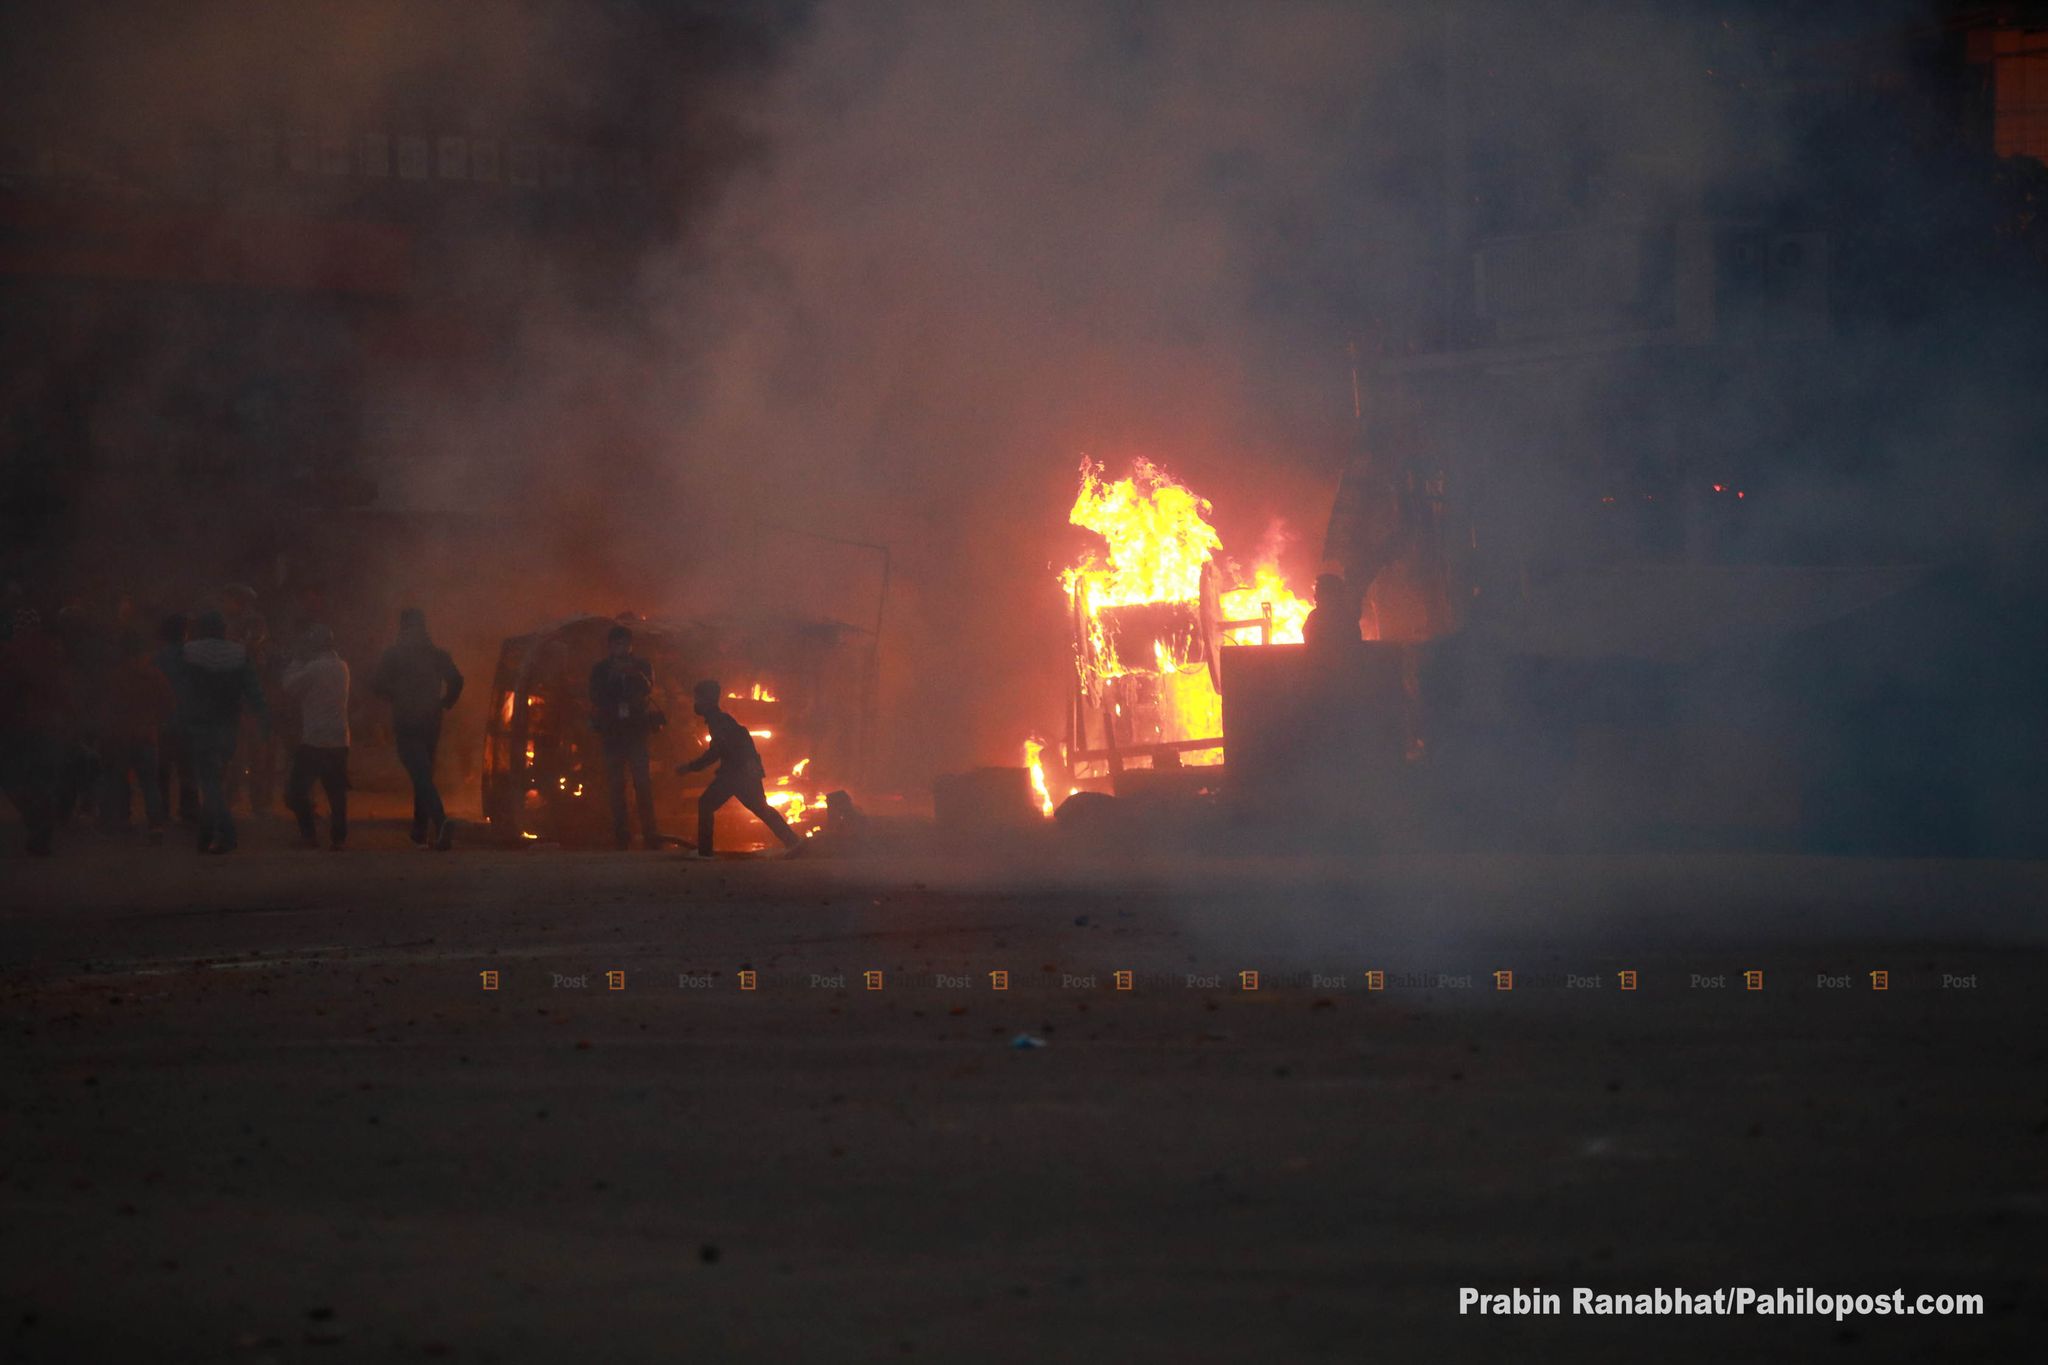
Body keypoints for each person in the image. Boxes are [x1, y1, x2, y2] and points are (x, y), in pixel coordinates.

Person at [676, 678, 801, 858]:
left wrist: (690, 767)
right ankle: (793, 841)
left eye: (698, 699)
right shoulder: (721, 720)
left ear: (707, 700)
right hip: (744, 772)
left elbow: (716, 751)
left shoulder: (718, 721)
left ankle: (704, 853)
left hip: (736, 773)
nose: (696, 703)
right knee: (760, 807)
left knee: (706, 803)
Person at [372, 607, 463, 850]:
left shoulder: (393, 655)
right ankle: (419, 831)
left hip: (406, 720)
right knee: (423, 774)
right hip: (432, 721)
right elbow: (457, 680)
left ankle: (441, 821)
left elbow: (377, 684)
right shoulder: (437, 654)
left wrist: (396, 695)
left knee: (421, 776)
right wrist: (445, 703)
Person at [181, 609, 267, 854]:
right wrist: (263, 719)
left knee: (208, 782)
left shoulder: (189, 652)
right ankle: (205, 835)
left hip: (200, 726)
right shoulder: (239, 654)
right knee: (214, 781)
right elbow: (254, 691)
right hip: (229, 727)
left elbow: (181, 690)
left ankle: (226, 834)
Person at [588, 624, 663, 850]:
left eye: (625, 643)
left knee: (642, 784)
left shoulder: (642, 665)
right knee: (616, 786)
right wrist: (612, 679)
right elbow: (595, 695)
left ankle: (650, 833)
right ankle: (622, 834)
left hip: (636, 731)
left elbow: (648, 688)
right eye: (617, 643)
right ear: (610, 646)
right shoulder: (601, 669)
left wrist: (633, 675)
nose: (621, 648)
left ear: (631, 645)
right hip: (612, 733)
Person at [0, 607, 68, 856]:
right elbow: (62, 689)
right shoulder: (54, 651)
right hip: (50, 726)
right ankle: (42, 831)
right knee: (43, 780)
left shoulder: (9, 651)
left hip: (17, 726)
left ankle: (35, 823)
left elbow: (5, 691)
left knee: (13, 777)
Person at [96, 629, 174, 840]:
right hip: (147, 736)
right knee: (150, 783)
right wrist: (155, 722)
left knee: (120, 780)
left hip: (121, 738)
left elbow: (107, 709)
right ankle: (155, 824)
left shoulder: (115, 677)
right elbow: (168, 704)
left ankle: (121, 820)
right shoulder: (155, 675)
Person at [281, 624, 350, 851]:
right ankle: (338, 839)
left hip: (315, 740)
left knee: (296, 792)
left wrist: (296, 662)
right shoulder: (343, 666)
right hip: (340, 739)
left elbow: (289, 686)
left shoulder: (313, 668)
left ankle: (309, 836)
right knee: (336, 792)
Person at [154, 613, 199, 823]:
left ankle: (162, 811)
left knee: (162, 769)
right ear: (184, 633)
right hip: (188, 720)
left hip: (163, 720)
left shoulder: (158, 657)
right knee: (187, 769)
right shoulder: (191, 656)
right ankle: (188, 810)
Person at [1302, 572, 1364, 654]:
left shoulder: (1316, 617)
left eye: (1319, 592)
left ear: (1331, 595)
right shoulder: (1349, 618)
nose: (1315, 597)